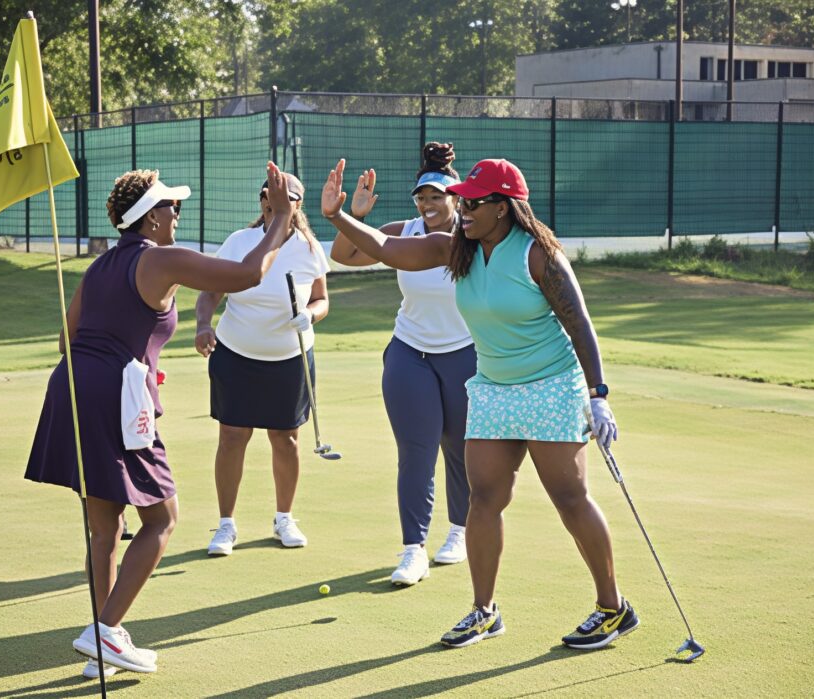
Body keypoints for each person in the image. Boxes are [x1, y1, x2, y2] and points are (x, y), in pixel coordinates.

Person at [320, 157, 634, 651]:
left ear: (504, 208)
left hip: (550, 385)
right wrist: (338, 217)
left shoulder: (538, 255)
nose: (462, 208)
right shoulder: (455, 249)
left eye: (474, 201)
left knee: (569, 500)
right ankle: (484, 612)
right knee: (483, 500)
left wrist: (598, 396)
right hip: (491, 387)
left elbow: (580, 324)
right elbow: (386, 248)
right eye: (461, 200)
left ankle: (613, 608)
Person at [25, 163, 294, 678]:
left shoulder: (102, 264)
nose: (177, 212)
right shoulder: (160, 259)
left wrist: (134, 362)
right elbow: (247, 276)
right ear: (150, 218)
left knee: (106, 528)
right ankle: (104, 632)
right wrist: (280, 218)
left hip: (72, 389)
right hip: (113, 400)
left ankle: (107, 643)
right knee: (162, 519)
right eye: (172, 206)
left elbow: (69, 341)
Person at [330, 143, 475, 586]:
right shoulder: (404, 230)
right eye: (422, 197)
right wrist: (353, 215)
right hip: (409, 351)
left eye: (436, 197)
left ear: (456, 198)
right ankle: (414, 549)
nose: (428, 205)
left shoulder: (473, 239)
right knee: (416, 450)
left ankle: (460, 531)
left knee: (460, 446)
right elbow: (344, 255)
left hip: (464, 354)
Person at [194, 172, 330, 556]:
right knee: (232, 437)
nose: (271, 202)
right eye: (267, 196)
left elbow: (322, 299)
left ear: (297, 204)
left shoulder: (308, 248)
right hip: (236, 353)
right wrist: (204, 325)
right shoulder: (241, 241)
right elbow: (210, 293)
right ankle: (225, 525)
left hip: (289, 358)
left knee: (285, 440)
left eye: (283, 197)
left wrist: (311, 314)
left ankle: (284, 518)